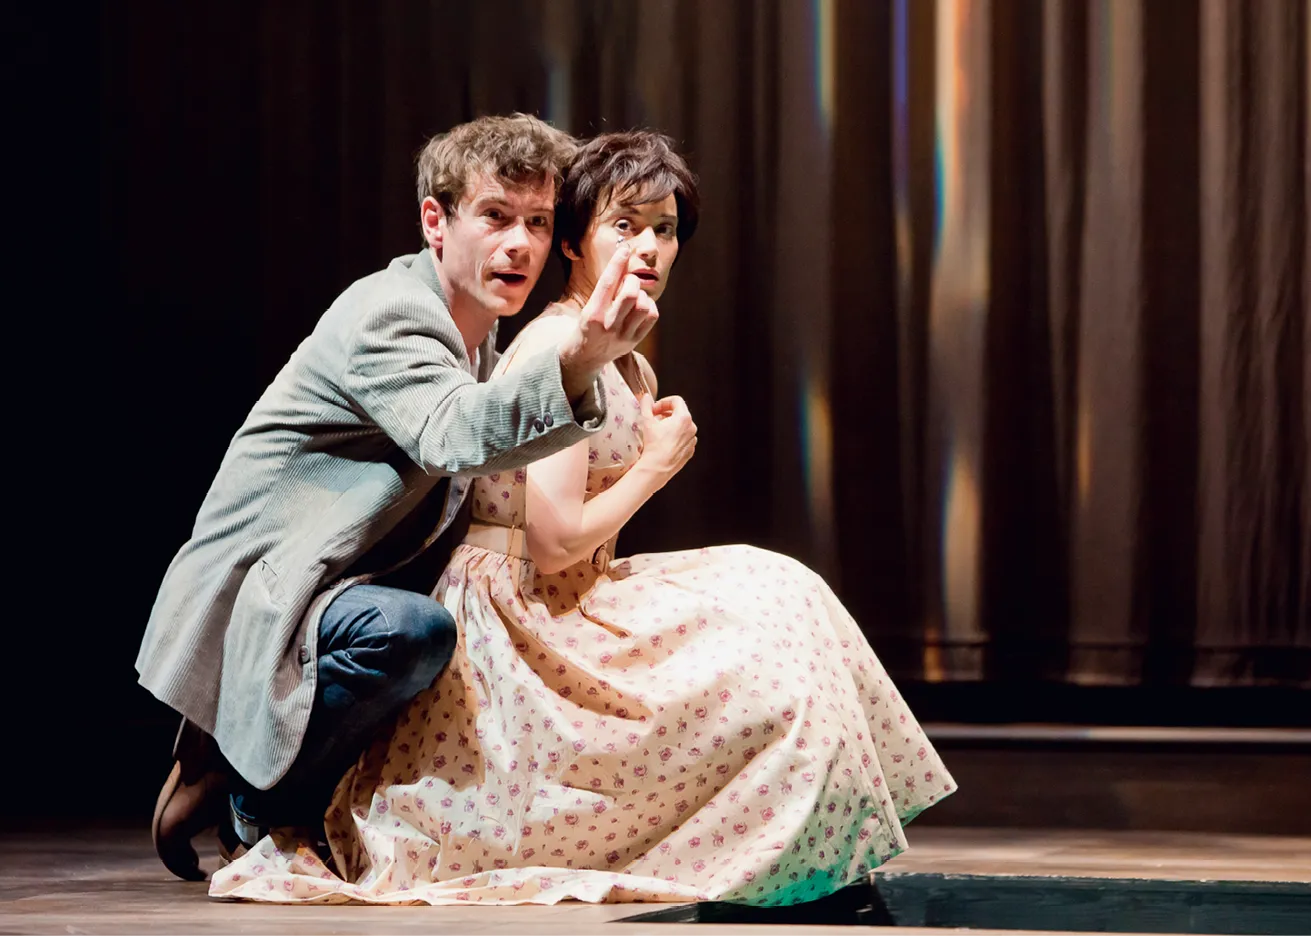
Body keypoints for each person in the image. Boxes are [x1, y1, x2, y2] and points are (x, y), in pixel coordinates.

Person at [210, 131, 955, 907]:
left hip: (571, 594)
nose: (648, 248)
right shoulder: (562, 342)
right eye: (623, 226)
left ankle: (804, 848)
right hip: (522, 610)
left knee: (782, 595)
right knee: (767, 617)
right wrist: (654, 467)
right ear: (578, 240)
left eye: (663, 229)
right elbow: (553, 540)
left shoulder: (622, 354)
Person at [138, 113, 665, 881]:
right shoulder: (390, 314)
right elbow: (453, 433)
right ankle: (258, 791)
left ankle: (248, 763)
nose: (518, 244)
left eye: (538, 223)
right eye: (493, 216)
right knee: (413, 634)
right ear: (435, 221)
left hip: (349, 577)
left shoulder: (477, 332)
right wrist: (581, 357)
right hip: (272, 585)